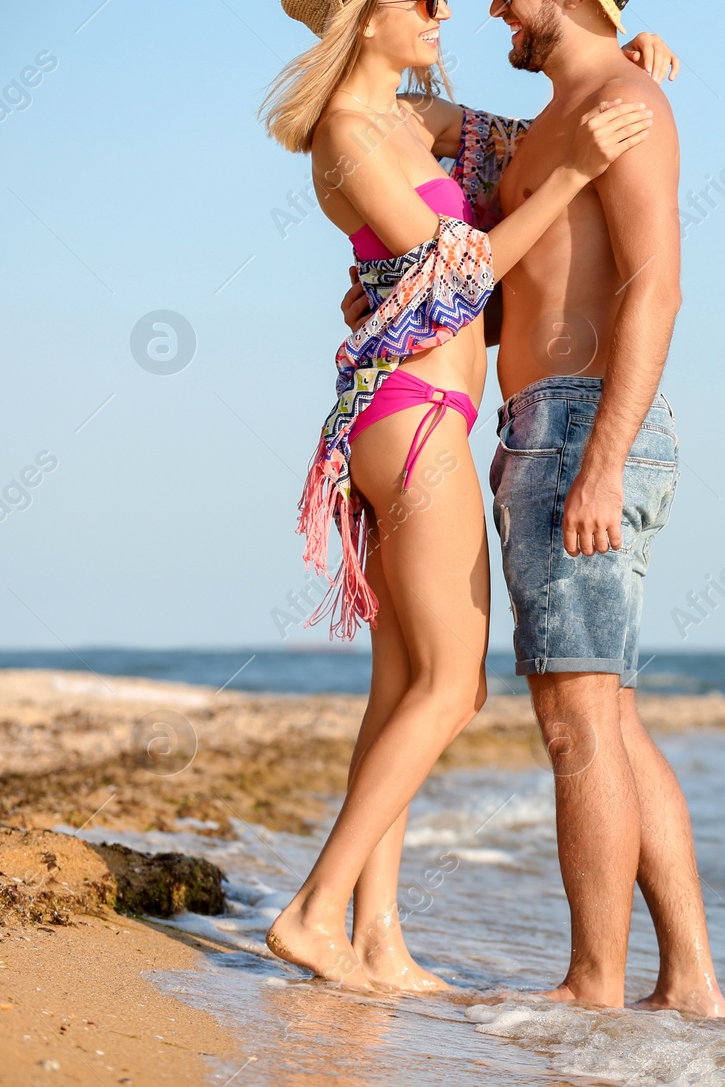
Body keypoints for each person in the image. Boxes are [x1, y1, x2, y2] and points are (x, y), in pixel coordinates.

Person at [258, 0, 666, 992]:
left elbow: (538, 135)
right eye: (423, 0)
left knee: (402, 686)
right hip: (414, 419)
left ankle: (378, 937)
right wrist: (571, 173)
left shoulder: (411, 122)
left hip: (421, 411)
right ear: (364, 14)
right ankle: (314, 912)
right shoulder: (349, 137)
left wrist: (627, 58)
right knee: (454, 685)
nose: (445, 11)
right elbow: (463, 278)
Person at [348, 0, 725, 1017]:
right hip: (537, 426)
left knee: (574, 724)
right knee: (607, 716)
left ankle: (593, 985)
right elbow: (377, 119)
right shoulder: (550, 123)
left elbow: (656, 288)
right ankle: (689, 983)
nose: (494, 10)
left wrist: (601, 462)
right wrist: (388, 288)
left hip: (584, 429)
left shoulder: (623, 100)